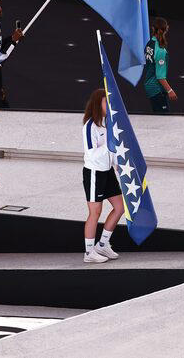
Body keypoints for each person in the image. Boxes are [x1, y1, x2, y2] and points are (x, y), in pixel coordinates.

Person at [81, 89, 125, 263]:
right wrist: (110, 145)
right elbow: (91, 153)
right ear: (97, 103)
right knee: (95, 212)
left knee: (120, 207)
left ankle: (103, 244)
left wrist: (118, 165)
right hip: (93, 172)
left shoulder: (109, 123)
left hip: (107, 172)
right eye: (106, 102)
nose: (109, 105)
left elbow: (112, 151)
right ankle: (89, 252)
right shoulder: (90, 126)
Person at [143, 17, 177, 113]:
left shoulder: (149, 44)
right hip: (157, 89)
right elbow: (160, 76)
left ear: (152, 29)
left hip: (149, 86)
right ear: (167, 29)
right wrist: (170, 91)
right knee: (163, 120)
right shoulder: (160, 51)